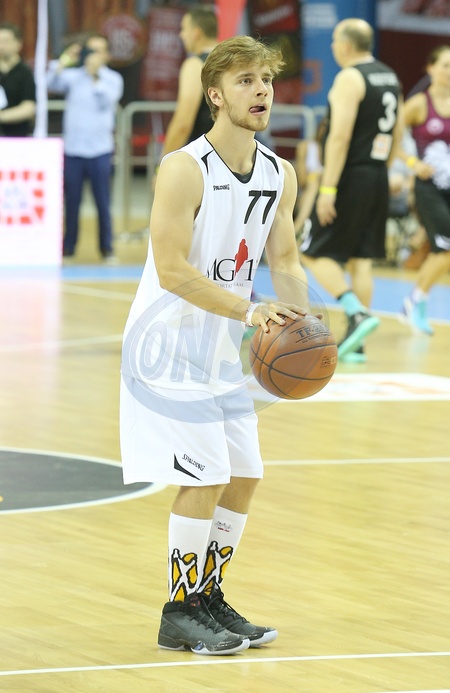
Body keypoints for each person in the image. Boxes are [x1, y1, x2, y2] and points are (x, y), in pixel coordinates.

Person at [120, 36, 311, 655]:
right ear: (215, 95)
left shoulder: (279, 172)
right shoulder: (184, 168)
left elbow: (285, 259)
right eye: (246, 81)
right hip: (167, 344)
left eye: (266, 80)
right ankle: (178, 611)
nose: (261, 91)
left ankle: (207, 597)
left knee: (245, 474)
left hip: (223, 348)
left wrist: (304, 327)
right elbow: (172, 269)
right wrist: (250, 309)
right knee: (205, 474)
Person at [300, 18, 402, 363]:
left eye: (333, 41)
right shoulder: (390, 76)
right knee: (361, 260)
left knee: (311, 251)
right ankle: (357, 344)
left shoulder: (349, 77)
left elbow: (339, 136)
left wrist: (328, 188)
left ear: (345, 45)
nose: (332, 47)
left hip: (348, 175)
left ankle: (355, 311)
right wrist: (383, 170)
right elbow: (398, 132)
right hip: (377, 174)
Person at [47, 33, 124, 263]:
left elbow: (106, 100)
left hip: (100, 150)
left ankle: (106, 247)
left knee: (103, 202)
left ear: (107, 55)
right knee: (71, 202)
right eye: (90, 51)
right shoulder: (73, 76)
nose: (93, 56)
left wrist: (95, 76)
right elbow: (49, 82)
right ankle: (68, 247)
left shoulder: (113, 79)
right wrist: (65, 59)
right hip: (73, 150)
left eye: (98, 52)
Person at [399, 45, 450, 335]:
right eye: (445, 65)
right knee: (445, 248)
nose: (449, 72)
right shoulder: (419, 104)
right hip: (428, 188)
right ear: (430, 68)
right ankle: (414, 302)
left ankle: (414, 302)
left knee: (444, 250)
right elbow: (391, 138)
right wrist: (412, 163)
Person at [158, 5, 218, 162]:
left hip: (206, 158)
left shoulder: (195, 65)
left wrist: (163, 163)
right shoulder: (234, 63)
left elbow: (183, 123)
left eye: (184, 29)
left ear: (196, 33)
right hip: (238, 158)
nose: (181, 35)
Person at [0, 23, 36, 136]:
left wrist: (2, 116)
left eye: (6, 41)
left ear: (18, 44)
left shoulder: (25, 73)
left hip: (16, 136)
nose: (1, 45)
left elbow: (28, 108)